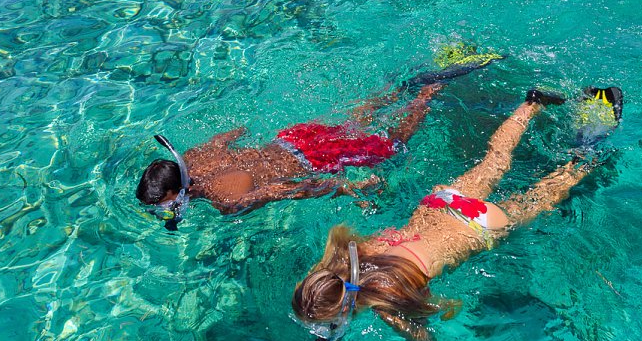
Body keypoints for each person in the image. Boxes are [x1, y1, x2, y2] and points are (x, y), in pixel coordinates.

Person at [292, 85, 623, 341]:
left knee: (546, 194)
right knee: (495, 160)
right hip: (443, 201)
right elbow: (339, 294)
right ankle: (532, 104)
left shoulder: (387, 306)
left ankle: (590, 152)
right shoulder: (349, 255)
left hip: (480, 227)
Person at [135, 48, 503, 224]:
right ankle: (410, 80)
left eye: (166, 204)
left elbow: (292, 189)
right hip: (292, 138)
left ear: (177, 192)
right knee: (360, 118)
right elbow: (234, 134)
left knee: (393, 142)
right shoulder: (197, 154)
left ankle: (429, 93)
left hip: (314, 161)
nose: (168, 209)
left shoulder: (225, 201)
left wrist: (345, 187)